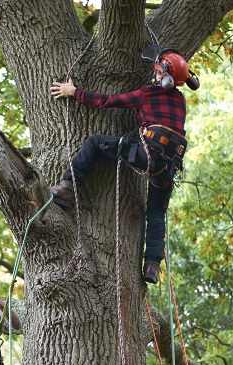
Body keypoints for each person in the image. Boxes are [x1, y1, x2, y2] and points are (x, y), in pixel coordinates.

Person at [48, 46, 199, 284]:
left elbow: (108, 101)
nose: (155, 74)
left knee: (96, 143)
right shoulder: (180, 101)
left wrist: (74, 91)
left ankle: (68, 188)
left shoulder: (148, 93)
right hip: (169, 166)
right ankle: (152, 264)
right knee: (157, 212)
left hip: (146, 153)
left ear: (165, 76)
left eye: (158, 71)